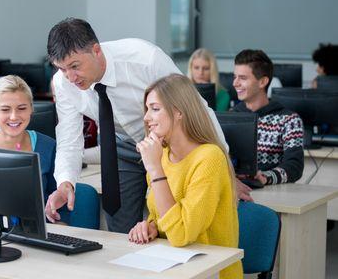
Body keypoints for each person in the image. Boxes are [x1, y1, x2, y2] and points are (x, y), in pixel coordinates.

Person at [44, 18, 237, 234]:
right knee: (122, 229)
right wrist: (65, 183)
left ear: (96, 51)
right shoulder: (63, 84)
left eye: (75, 66)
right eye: (62, 69)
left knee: (180, 222)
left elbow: (195, 108)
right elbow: (69, 139)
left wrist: (226, 169)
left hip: (167, 147)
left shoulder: (145, 59)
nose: (70, 77)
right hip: (119, 147)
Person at [128, 74, 242, 279]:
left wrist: (155, 170)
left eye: (154, 108)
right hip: (172, 265)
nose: (146, 117)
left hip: (210, 272)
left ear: (178, 112)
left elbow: (181, 234)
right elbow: (164, 215)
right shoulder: (161, 156)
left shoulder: (210, 158)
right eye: (147, 109)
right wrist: (151, 225)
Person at [0, 75, 57, 201]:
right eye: (5, 109)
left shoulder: (48, 146)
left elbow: (61, 205)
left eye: (22, 108)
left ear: (31, 109)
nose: (13, 117)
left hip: (37, 220)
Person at [232, 49, 304, 185]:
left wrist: (266, 177)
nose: (235, 83)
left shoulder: (290, 121)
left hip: (273, 192)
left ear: (262, 82)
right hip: (235, 192)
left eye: (242, 78)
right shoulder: (232, 116)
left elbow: (295, 166)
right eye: (234, 77)